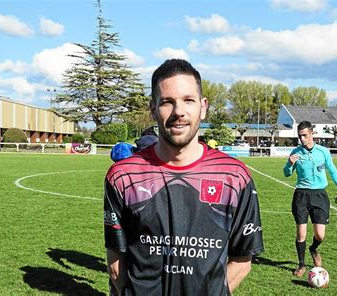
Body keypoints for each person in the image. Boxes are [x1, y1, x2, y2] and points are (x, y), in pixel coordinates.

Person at [104, 59, 264, 296]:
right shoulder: (123, 176)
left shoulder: (235, 176)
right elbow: (116, 263)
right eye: (167, 102)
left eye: (188, 100)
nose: (179, 112)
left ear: (203, 106)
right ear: (152, 108)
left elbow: (242, 261)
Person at [283, 120, 337, 277]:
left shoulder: (323, 152)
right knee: (301, 234)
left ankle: (313, 249)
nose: (302, 139)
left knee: (320, 235)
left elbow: (332, 170)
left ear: (312, 133)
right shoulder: (295, 152)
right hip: (301, 195)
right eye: (299, 136)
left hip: (319, 195)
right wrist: (289, 164)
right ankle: (301, 265)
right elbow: (286, 173)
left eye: (304, 135)